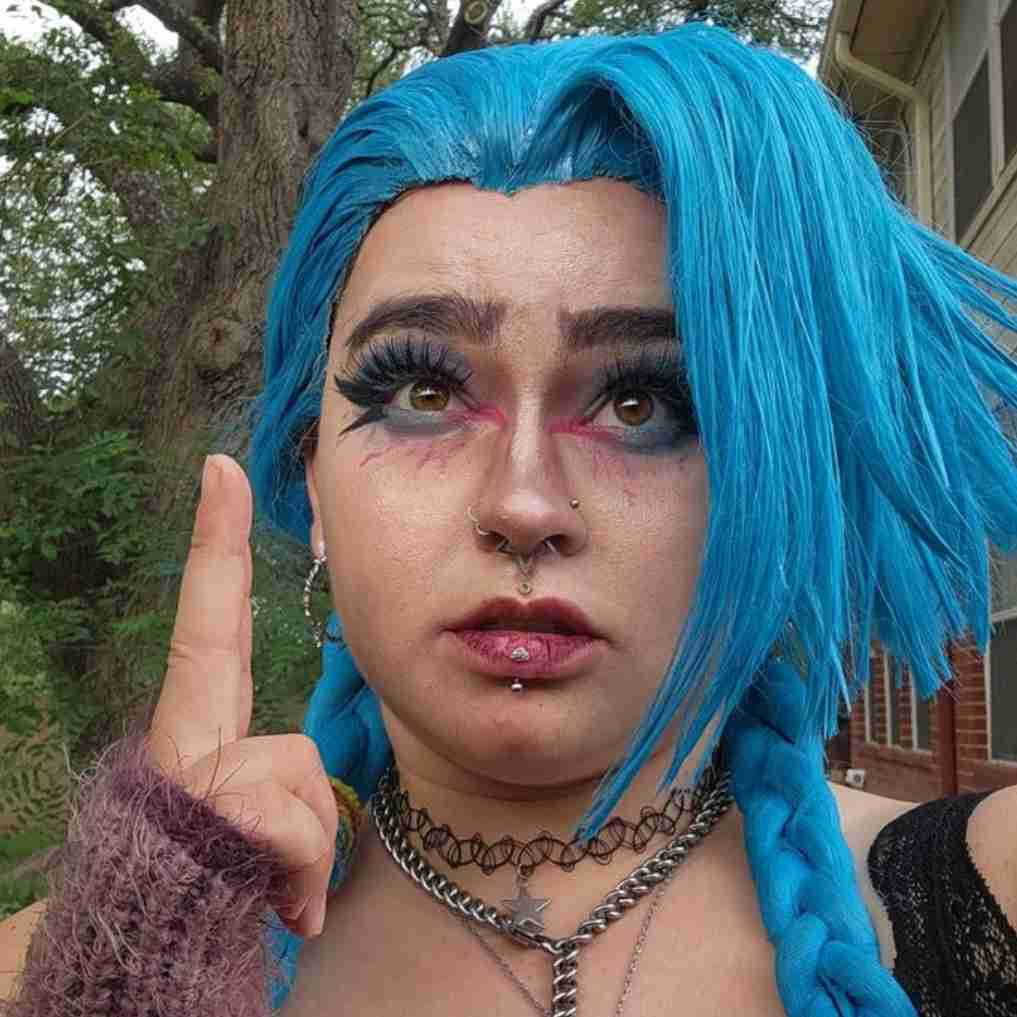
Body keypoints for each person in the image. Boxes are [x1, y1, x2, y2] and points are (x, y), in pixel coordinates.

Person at [2, 18, 1017, 1017]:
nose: (523, 505)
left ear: (774, 479)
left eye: (642, 403)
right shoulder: (62, 971)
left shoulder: (993, 892)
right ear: (312, 486)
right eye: (424, 392)